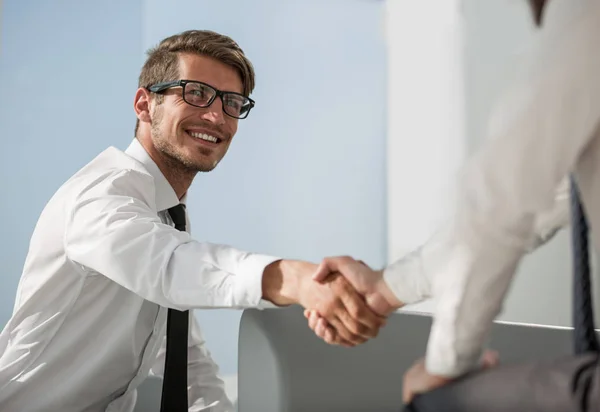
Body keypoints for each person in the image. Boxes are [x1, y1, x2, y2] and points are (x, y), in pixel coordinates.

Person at [0, 30, 385, 412]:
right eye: (196, 93)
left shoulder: (168, 214)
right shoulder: (103, 193)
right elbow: (170, 267)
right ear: (144, 104)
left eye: (232, 102)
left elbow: (184, 358)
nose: (216, 115)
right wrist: (299, 280)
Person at [306, 0, 600, 409]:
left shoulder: (584, 18)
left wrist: (443, 369)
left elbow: (499, 202)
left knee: (439, 400)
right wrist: (385, 288)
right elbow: (540, 205)